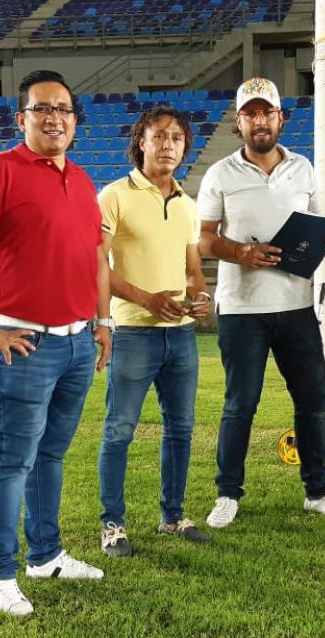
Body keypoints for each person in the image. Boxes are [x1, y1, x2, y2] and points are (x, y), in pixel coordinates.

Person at [0, 69, 115, 617]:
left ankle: (45, 555)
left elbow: (94, 256)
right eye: (42, 109)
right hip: (23, 344)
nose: (54, 118)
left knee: (51, 456)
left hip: (75, 345)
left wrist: (102, 321)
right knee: (12, 461)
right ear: (21, 118)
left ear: (75, 120)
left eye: (64, 109)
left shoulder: (83, 179)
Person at [196, 77, 325, 529]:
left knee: (313, 399)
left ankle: (318, 491)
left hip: (297, 305)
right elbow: (204, 242)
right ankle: (228, 494)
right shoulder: (220, 174)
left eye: (267, 112)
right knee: (239, 404)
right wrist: (241, 253)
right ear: (239, 122)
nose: (259, 120)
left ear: (281, 118)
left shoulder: (304, 169)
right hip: (243, 308)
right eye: (250, 113)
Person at [95, 105, 213, 557]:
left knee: (180, 428)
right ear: (140, 141)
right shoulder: (114, 196)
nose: (168, 145)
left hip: (180, 336)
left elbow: (193, 269)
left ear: (185, 147)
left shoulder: (187, 205)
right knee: (119, 430)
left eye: (177, 138)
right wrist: (147, 300)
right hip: (132, 334)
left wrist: (198, 297)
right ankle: (113, 525)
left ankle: (173, 516)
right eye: (159, 136)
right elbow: (96, 268)